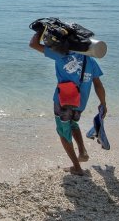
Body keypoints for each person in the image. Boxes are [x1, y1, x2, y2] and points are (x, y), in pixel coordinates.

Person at [29, 25, 107, 176]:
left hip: (63, 101)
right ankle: (82, 151)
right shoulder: (89, 60)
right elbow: (98, 84)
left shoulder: (61, 55)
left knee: (63, 133)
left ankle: (77, 167)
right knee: (73, 124)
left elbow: (33, 44)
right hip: (80, 103)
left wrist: (41, 29)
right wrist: (103, 104)